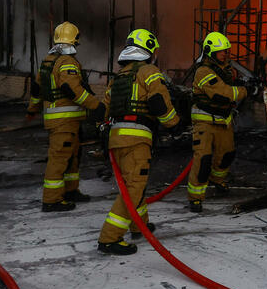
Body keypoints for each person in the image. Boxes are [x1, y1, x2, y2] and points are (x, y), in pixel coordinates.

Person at [97, 29, 179, 255]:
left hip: (116, 137)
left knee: (133, 183)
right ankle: (109, 238)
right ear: (149, 50)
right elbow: (158, 102)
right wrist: (175, 123)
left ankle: (138, 224)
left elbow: (104, 109)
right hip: (137, 137)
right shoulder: (149, 71)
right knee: (133, 188)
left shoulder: (119, 76)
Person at [27, 22, 105, 212]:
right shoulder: (67, 62)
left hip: (65, 121)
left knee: (72, 157)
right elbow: (73, 90)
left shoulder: (48, 61)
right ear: (74, 40)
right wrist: (97, 106)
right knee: (60, 158)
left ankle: (70, 191)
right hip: (64, 121)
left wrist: (33, 109)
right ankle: (52, 200)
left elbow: (37, 89)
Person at [186, 31, 253, 213]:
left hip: (224, 120)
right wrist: (245, 91)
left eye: (226, 51)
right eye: (221, 51)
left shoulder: (226, 70)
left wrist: (249, 85)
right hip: (204, 122)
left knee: (227, 154)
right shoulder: (203, 71)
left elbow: (231, 86)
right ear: (210, 52)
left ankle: (217, 180)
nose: (226, 54)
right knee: (204, 159)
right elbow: (221, 92)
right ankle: (196, 197)